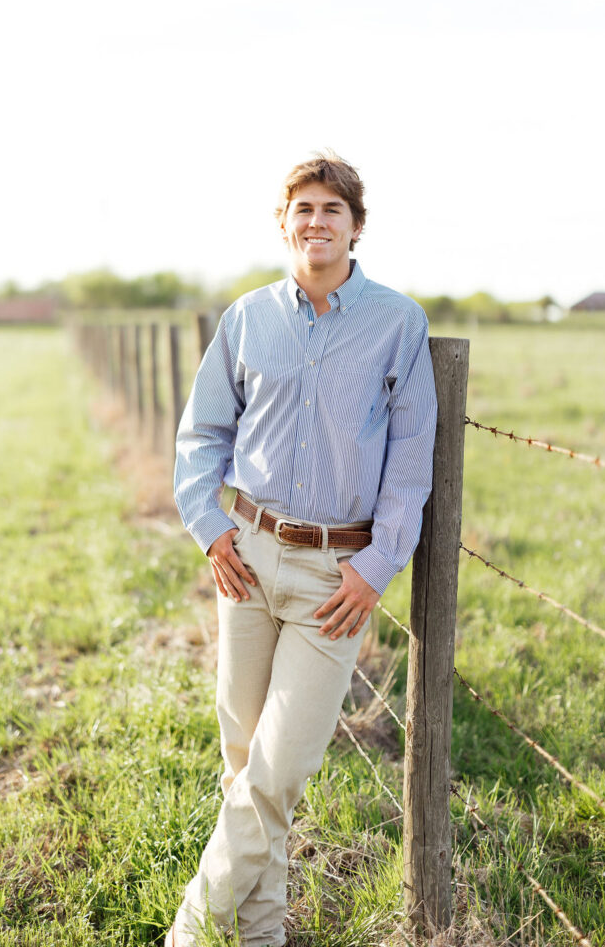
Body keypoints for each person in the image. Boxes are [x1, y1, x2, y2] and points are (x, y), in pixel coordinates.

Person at [168, 152, 437, 946]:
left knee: (276, 773)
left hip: (335, 575)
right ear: (283, 224)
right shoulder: (248, 319)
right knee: (245, 763)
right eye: (302, 209)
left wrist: (377, 565)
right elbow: (202, 436)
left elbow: (411, 461)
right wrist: (210, 526)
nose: (315, 222)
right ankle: (259, 937)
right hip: (245, 557)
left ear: (356, 227)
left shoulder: (397, 322)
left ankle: (193, 929)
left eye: (331, 209)